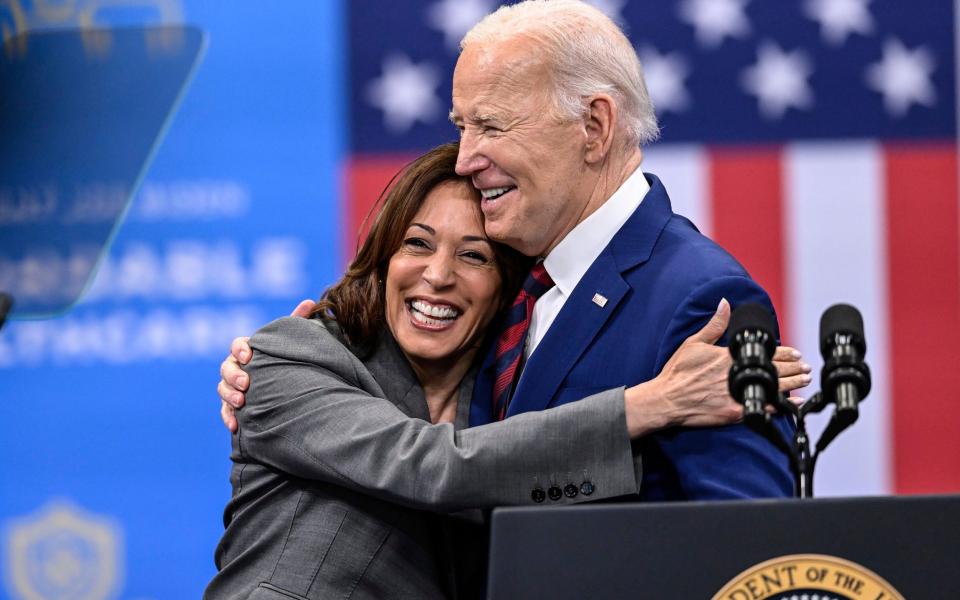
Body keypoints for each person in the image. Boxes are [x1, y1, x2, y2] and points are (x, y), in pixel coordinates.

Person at [221, 0, 808, 500]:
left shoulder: (697, 297)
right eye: (461, 127)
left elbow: (746, 550)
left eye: (492, 127)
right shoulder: (515, 285)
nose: (464, 158)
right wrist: (294, 357)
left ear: (594, 127)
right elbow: (441, 452)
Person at [205, 143, 806, 599]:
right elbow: (431, 465)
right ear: (382, 258)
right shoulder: (290, 356)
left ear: (506, 292)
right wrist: (654, 404)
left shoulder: (500, 395)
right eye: (417, 244)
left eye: (474, 256)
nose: (438, 275)